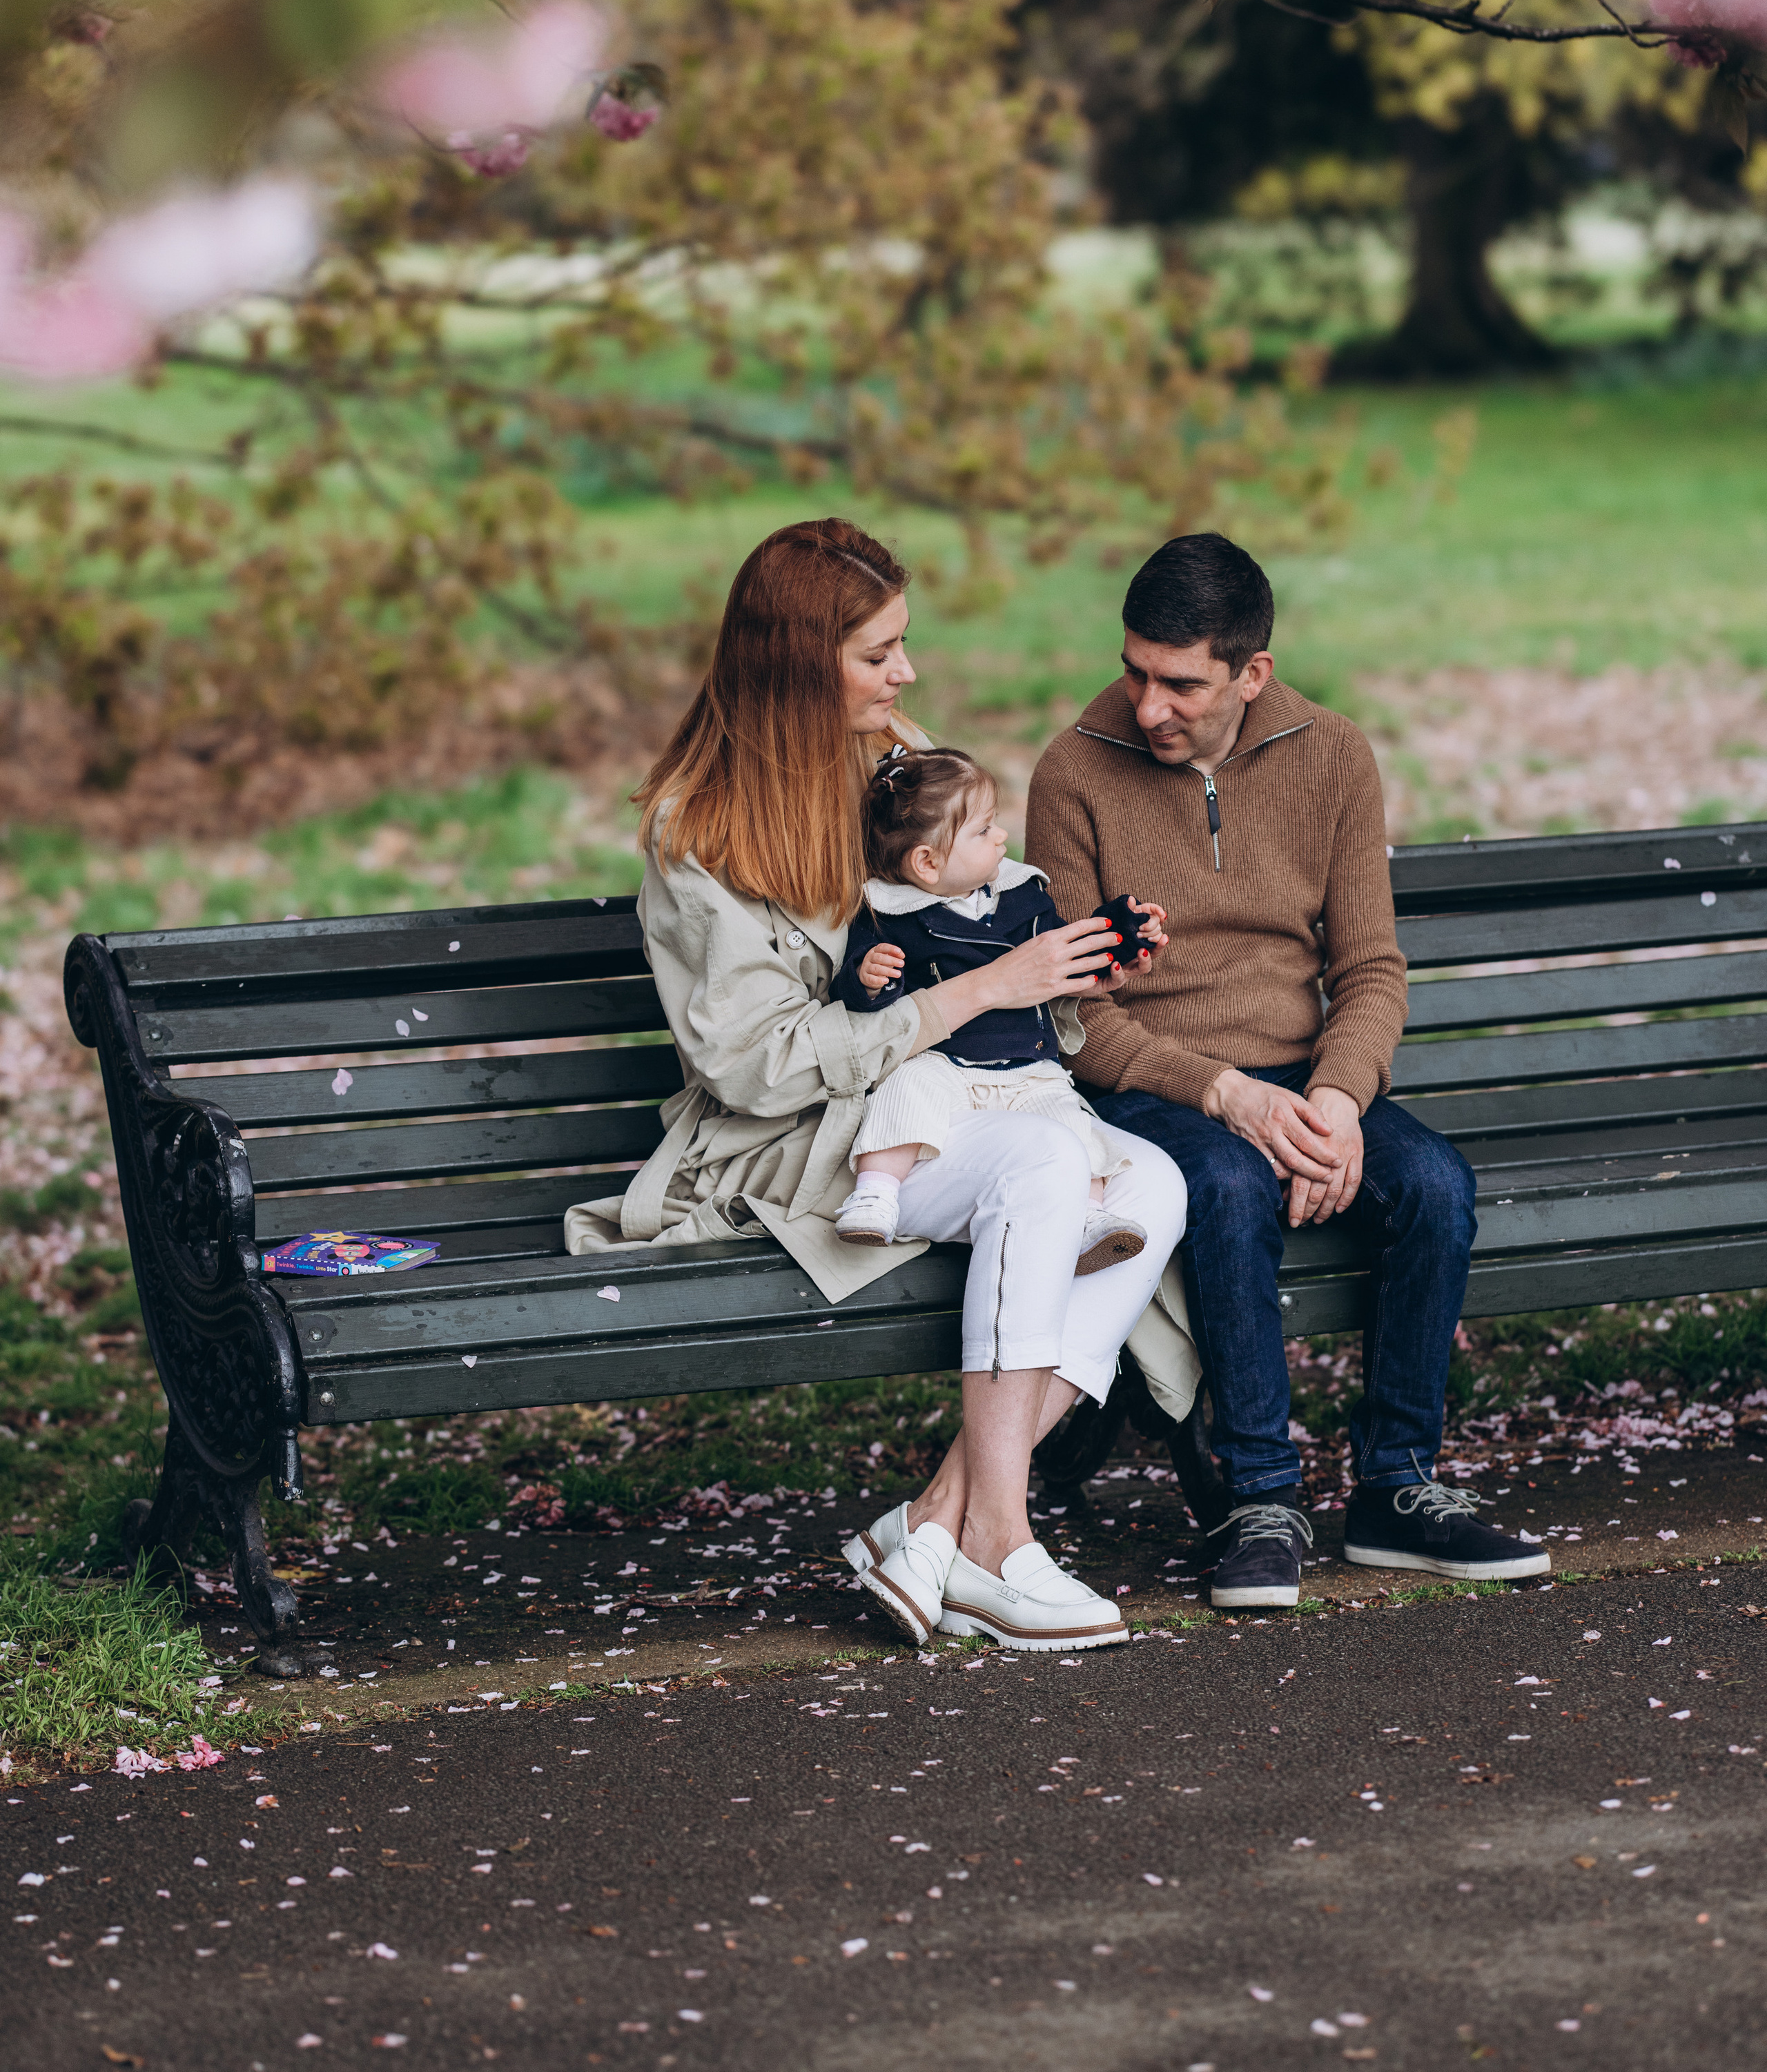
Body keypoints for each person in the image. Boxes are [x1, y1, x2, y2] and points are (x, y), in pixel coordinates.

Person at [562, 517, 1191, 1654]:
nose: (907, 673)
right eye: (877, 653)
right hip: (797, 1140)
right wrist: (964, 996)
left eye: (904, 644)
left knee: (1148, 1182)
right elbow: (752, 1067)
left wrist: (1073, 954)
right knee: (1052, 1164)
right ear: (798, 663)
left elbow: (983, 911)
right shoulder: (698, 833)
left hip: (944, 1101)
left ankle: (935, 1521)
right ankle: (1004, 1540)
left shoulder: (893, 763)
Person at [1025, 530, 1550, 1608]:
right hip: (1155, 1084)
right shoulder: (1074, 768)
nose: (1148, 704)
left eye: (1181, 683)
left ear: (1252, 673)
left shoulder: (1333, 755)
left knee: (1437, 1186)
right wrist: (1225, 1094)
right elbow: (1078, 1014)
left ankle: (1397, 1487)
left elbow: (1369, 967)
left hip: (1301, 1071)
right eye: (1134, 670)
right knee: (1222, 1183)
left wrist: (1335, 1103)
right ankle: (1262, 1495)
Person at [829, 742, 1157, 1277]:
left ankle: (1090, 1216)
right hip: (944, 1064)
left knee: (1069, 1123)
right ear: (927, 862)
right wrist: (868, 975)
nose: (1002, 836)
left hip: (1027, 1066)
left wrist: (1121, 932)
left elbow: (1062, 949)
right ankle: (875, 1194)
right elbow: (871, 1000)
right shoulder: (890, 913)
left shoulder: (1021, 894)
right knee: (903, 1093)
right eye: (983, 830)